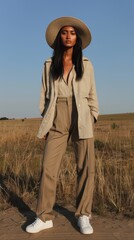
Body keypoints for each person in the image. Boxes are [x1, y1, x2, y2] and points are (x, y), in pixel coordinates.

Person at [26, 16, 99, 235]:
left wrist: (93, 116)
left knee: (85, 168)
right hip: (57, 116)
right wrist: (47, 121)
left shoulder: (86, 64)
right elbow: (45, 96)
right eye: (65, 32)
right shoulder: (49, 64)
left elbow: (93, 94)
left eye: (72, 33)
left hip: (82, 115)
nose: (68, 36)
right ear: (59, 36)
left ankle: (84, 215)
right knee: (48, 167)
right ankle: (44, 216)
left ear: (77, 38)